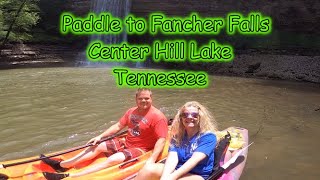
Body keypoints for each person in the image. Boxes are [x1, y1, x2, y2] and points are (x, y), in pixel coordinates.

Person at [42, 88, 168, 179]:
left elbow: (161, 140)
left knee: (114, 158)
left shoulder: (158, 117)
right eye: (140, 98)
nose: (143, 101)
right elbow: (118, 126)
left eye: (147, 98)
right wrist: (100, 137)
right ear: (136, 99)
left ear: (151, 99)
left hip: (141, 149)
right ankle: (61, 165)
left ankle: (70, 176)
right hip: (127, 142)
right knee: (98, 145)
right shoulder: (131, 111)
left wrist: (152, 159)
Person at [135, 101, 218, 180]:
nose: (189, 117)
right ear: (181, 118)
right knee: (148, 168)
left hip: (197, 175)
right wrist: (165, 177)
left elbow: (193, 161)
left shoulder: (208, 137)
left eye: (194, 115)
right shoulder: (177, 137)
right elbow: (172, 159)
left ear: (200, 117)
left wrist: (172, 177)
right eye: (185, 115)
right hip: (177, 169)